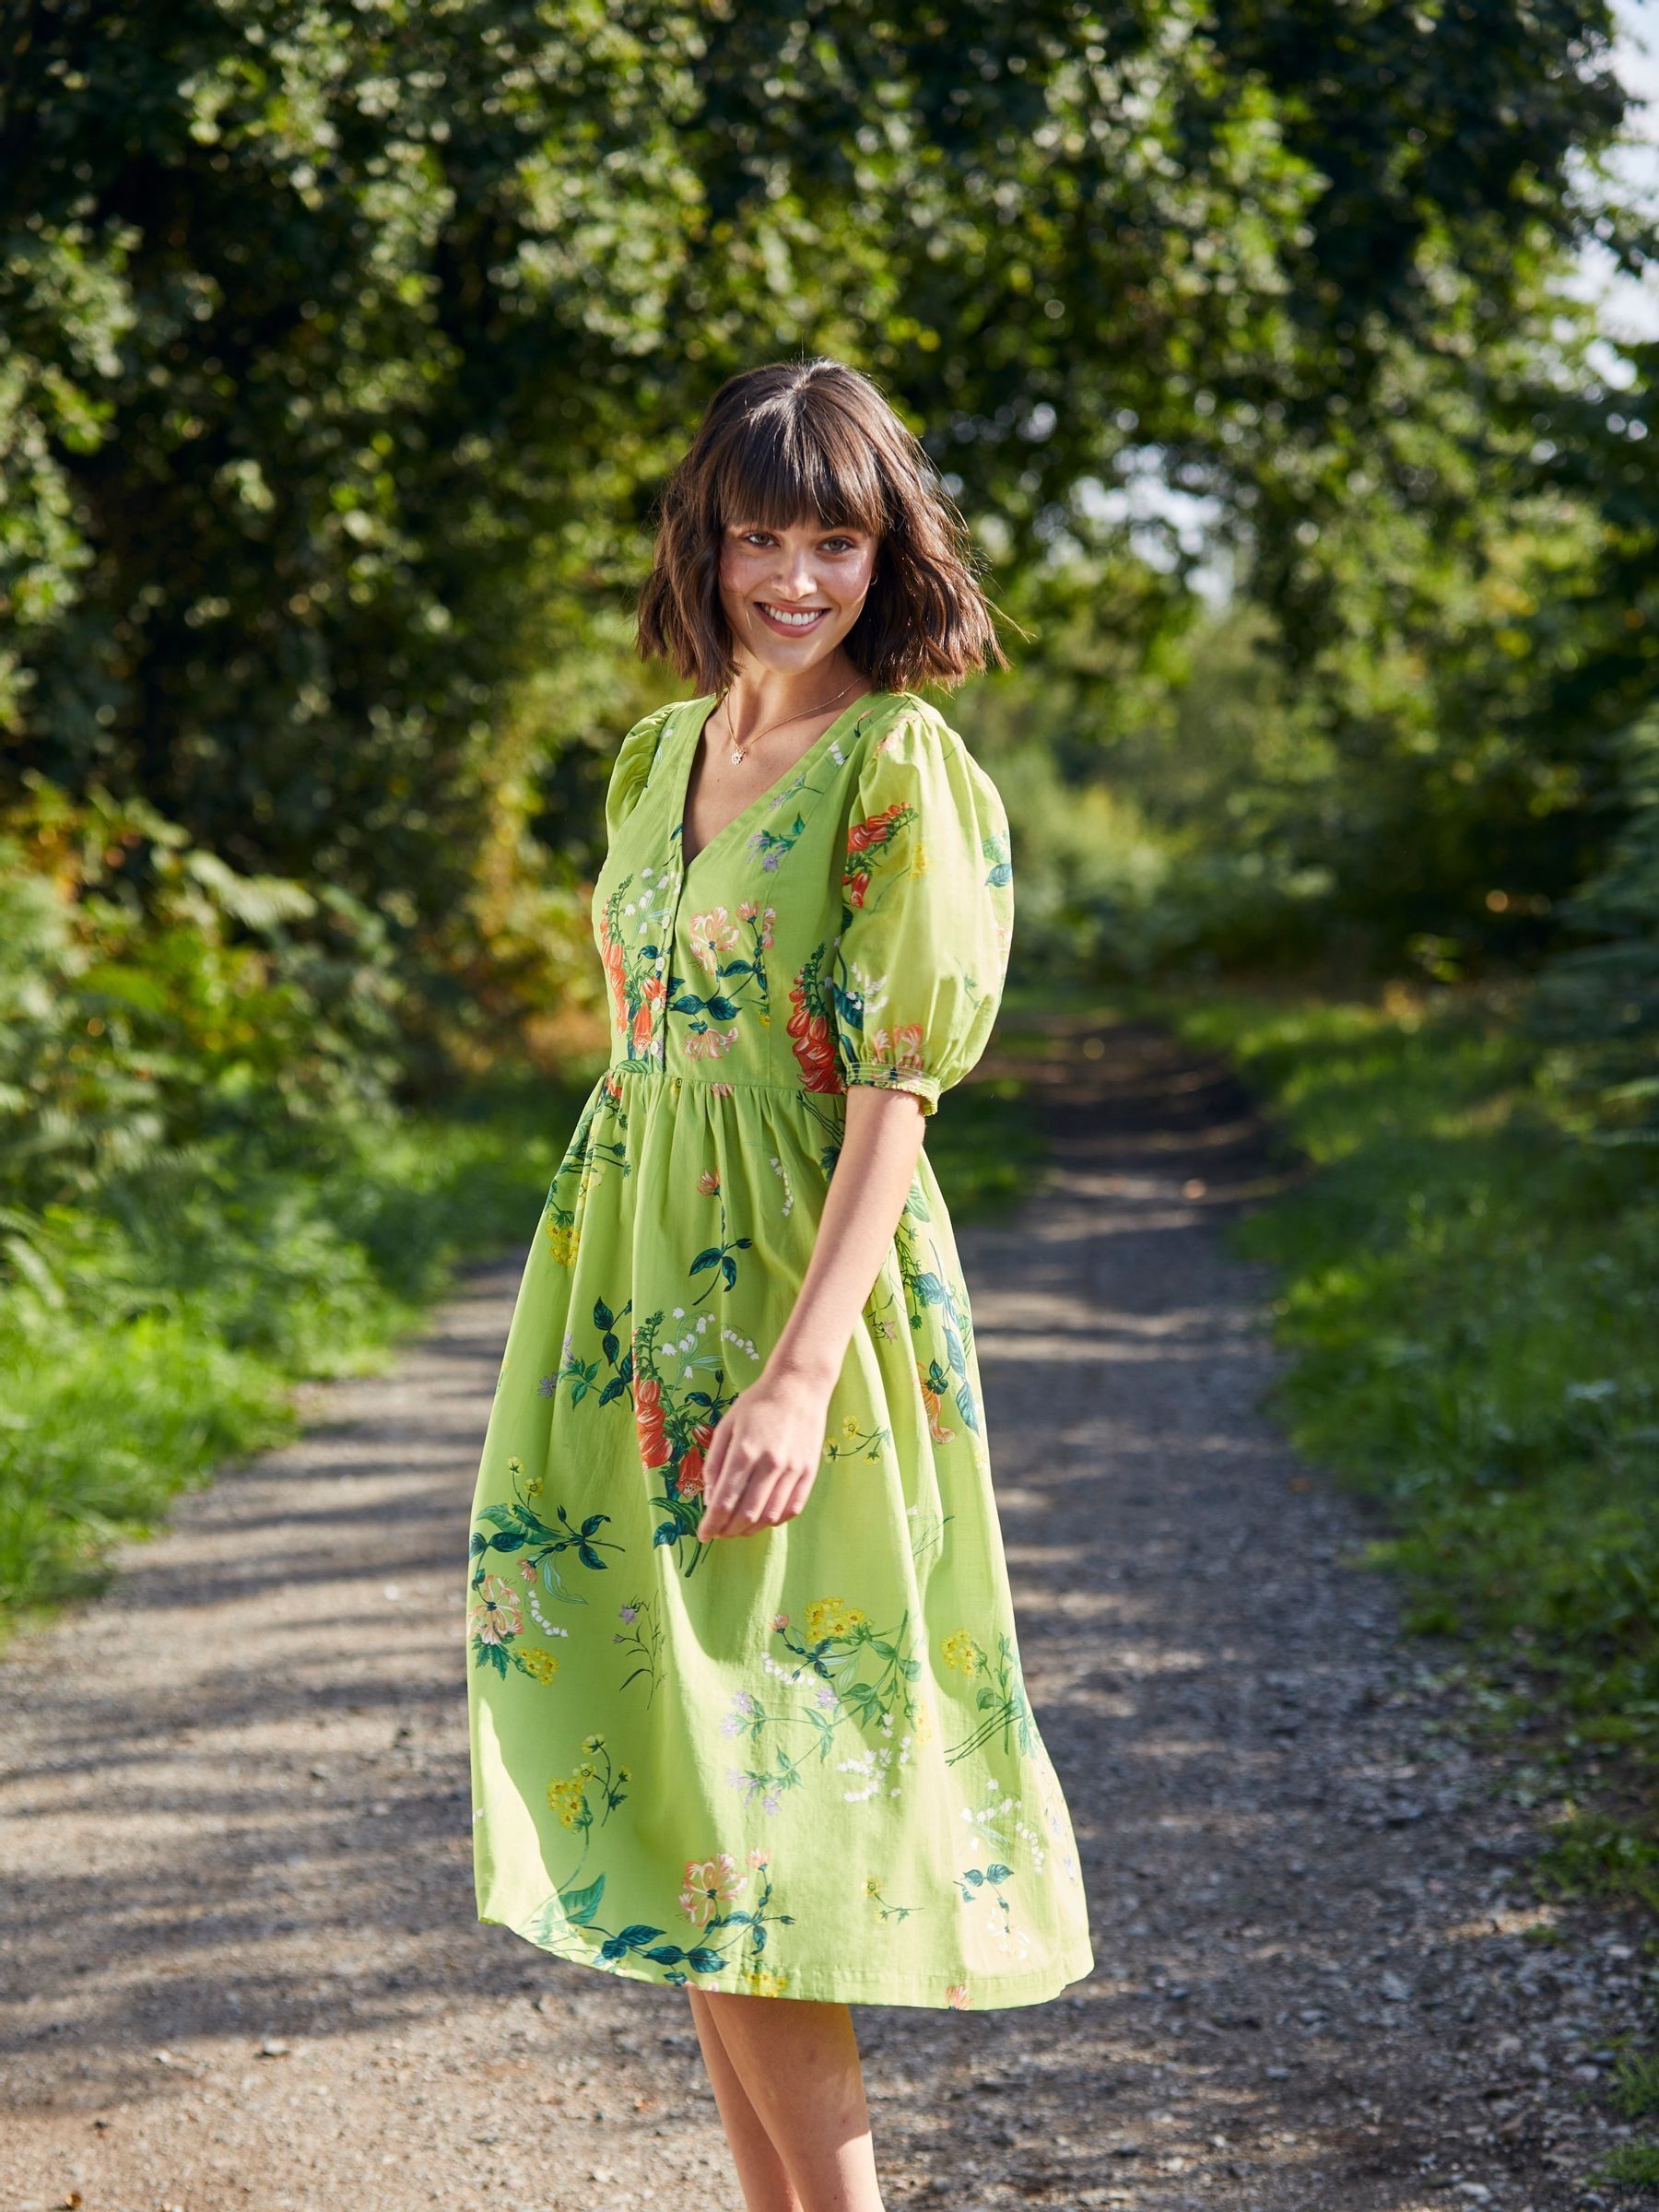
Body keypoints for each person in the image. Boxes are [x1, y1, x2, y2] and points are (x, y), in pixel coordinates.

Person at [465, 357, 1093, 2212]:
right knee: (672, 1779)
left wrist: (802, 1377)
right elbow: (641, 1051)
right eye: (764, 537)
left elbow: (893, 1095)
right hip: (620, 1292)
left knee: (757, 1797)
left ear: (890, 549)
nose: (798, 579)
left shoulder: (904, 765)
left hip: (801, 1301)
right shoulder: (659, 755)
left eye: (838, 538)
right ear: (706, 544)